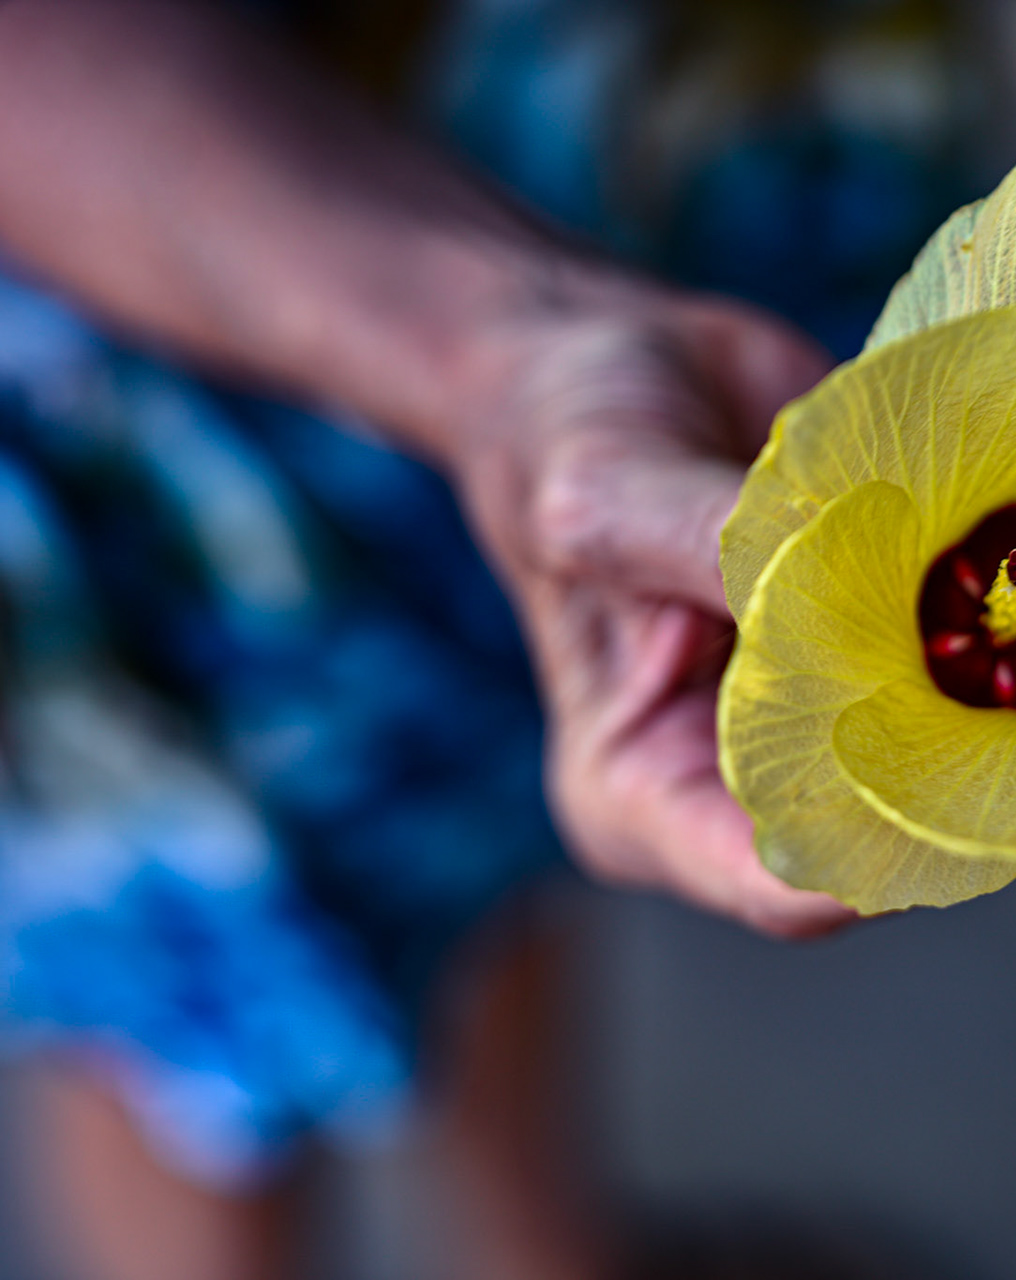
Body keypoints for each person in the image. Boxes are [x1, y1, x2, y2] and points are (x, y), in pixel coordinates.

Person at [0, 1, 875, 1276]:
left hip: (631, 193)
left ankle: (551, 1256)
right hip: (145, 344)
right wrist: (511, 354)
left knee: (520, 812)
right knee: (178, 1000)